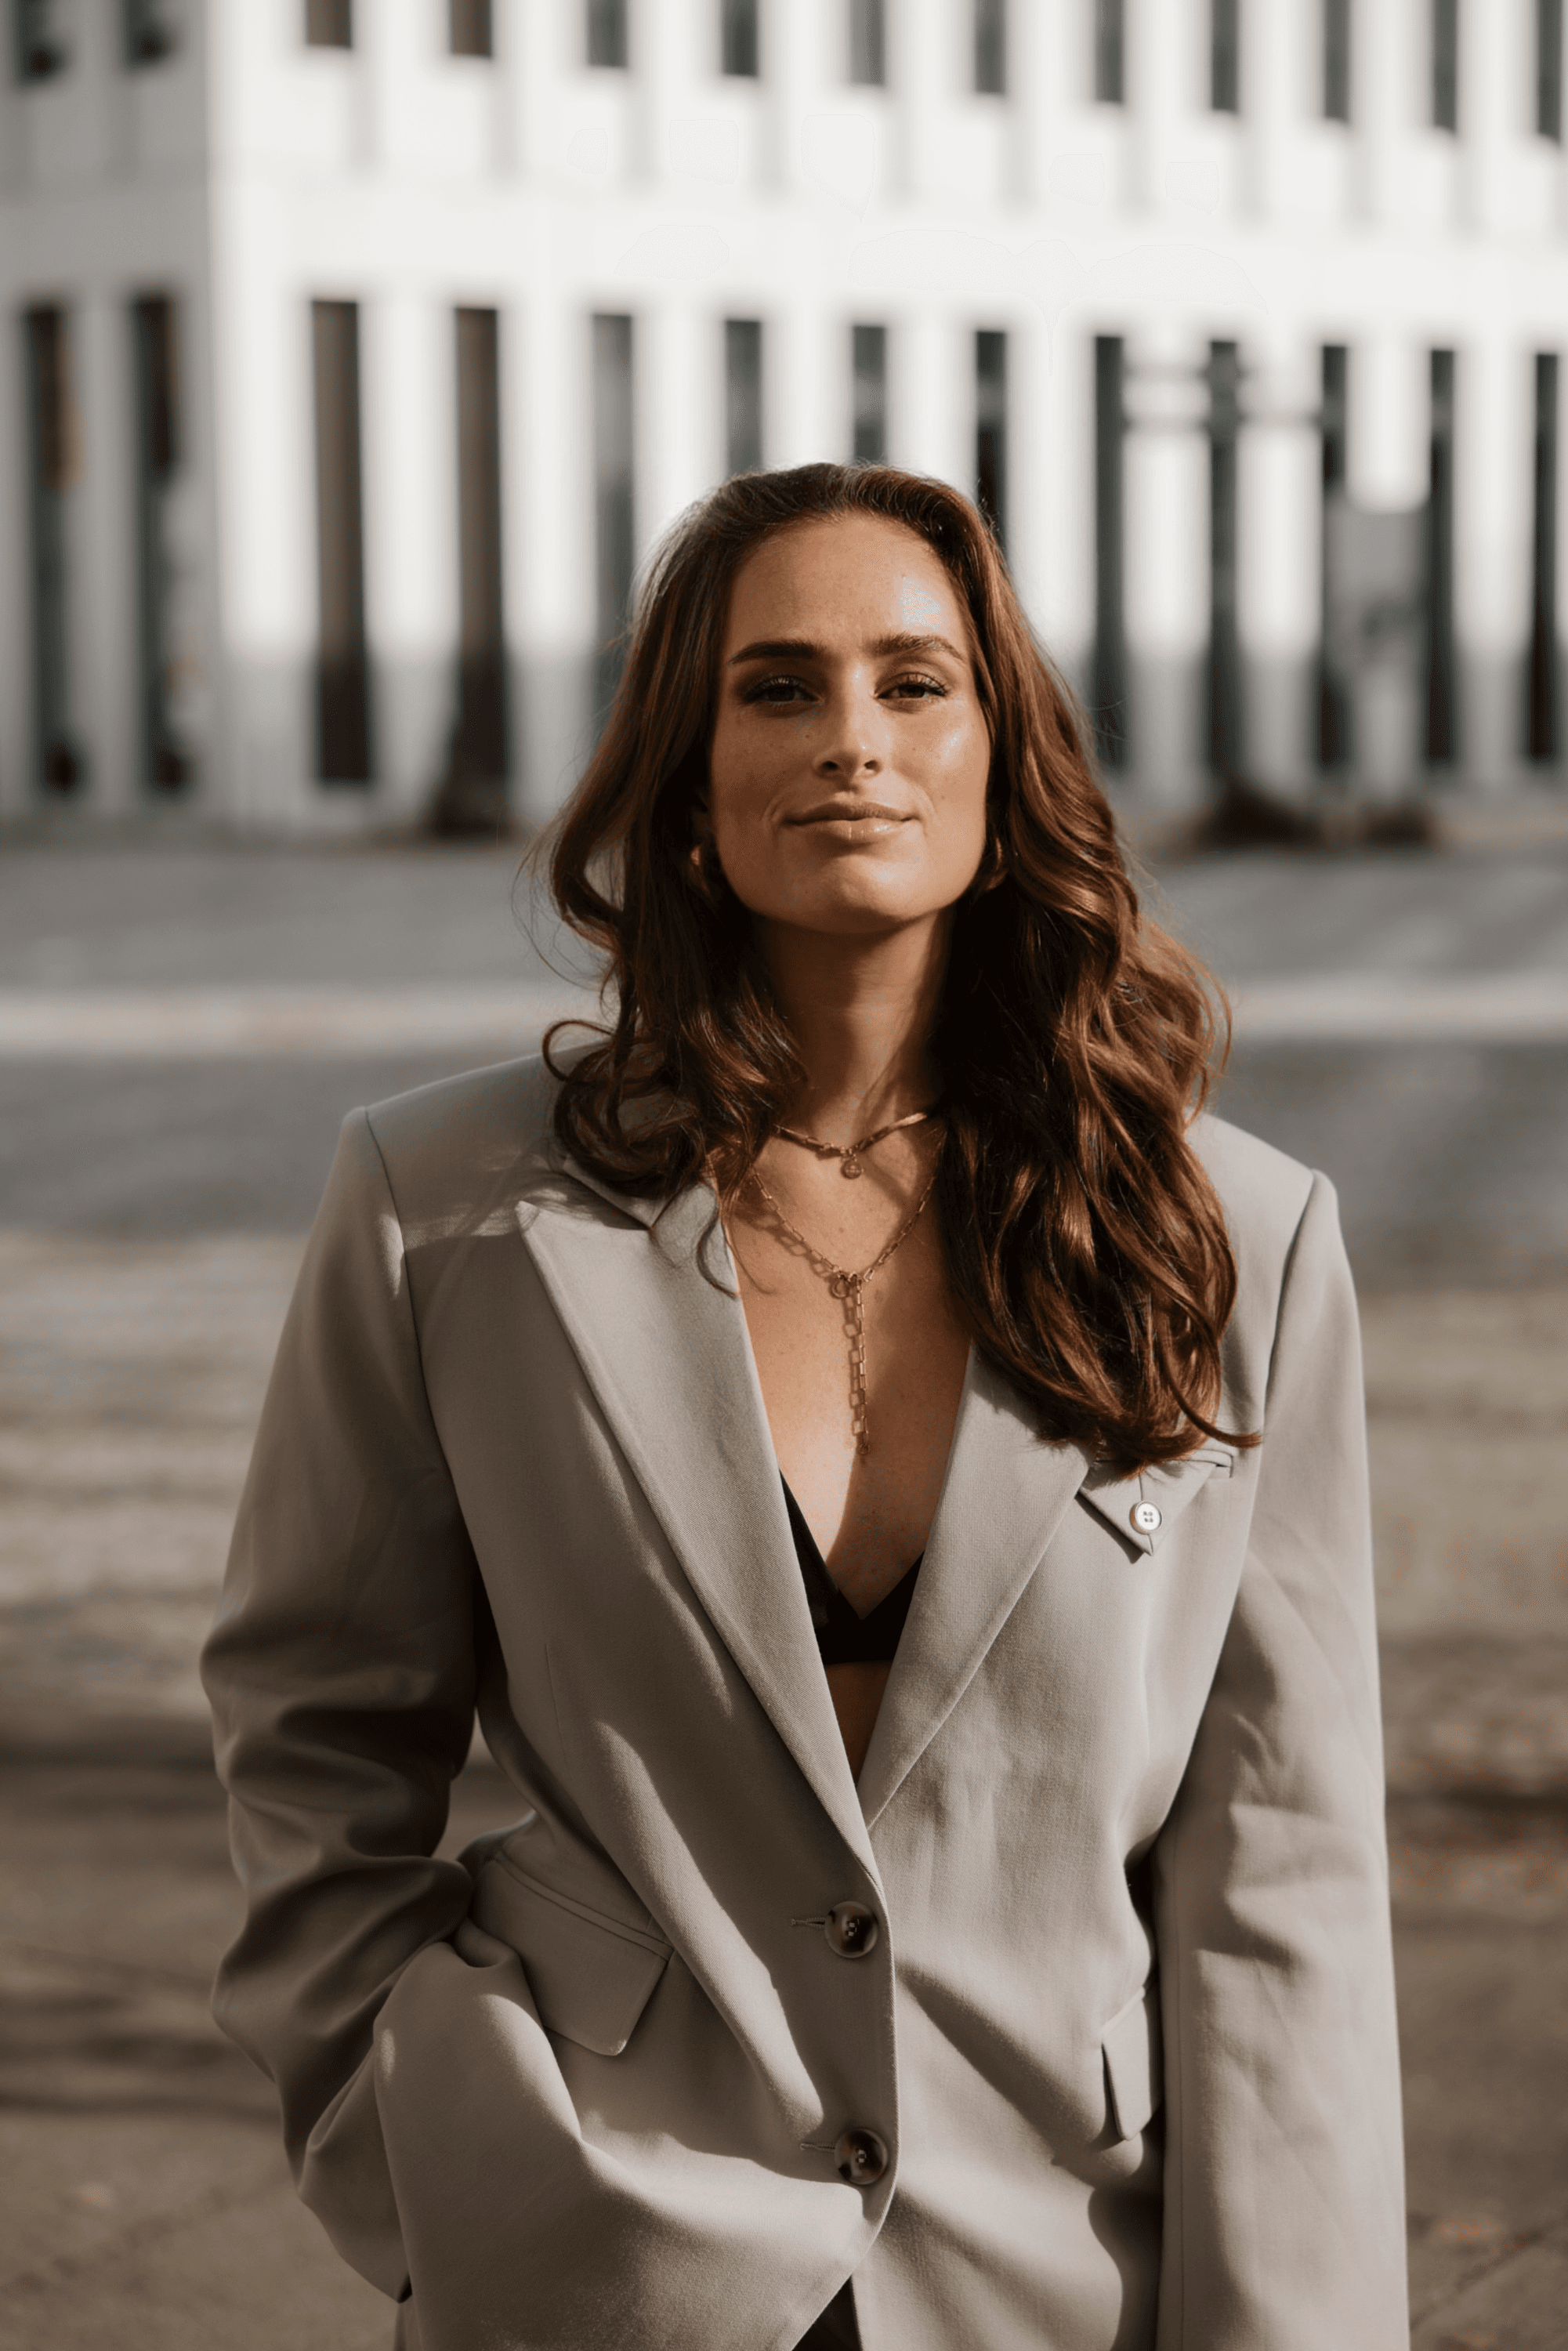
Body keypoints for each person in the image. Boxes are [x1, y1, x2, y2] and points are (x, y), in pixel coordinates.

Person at [202, 462, 1407, 2351]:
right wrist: (413, 2138)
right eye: (778, 687)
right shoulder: (445, 1209)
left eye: (913, 683)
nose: (851, 738)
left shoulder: (1233, 1237)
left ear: (1005, 764)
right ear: (686, 787)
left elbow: (1281, 1852)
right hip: (588, 2249)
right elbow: (311, 1726)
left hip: (1061, 2271)